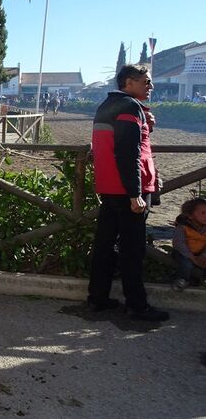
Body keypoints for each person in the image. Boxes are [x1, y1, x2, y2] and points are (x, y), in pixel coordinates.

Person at [88, 64, 169, 321]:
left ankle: (97, 298)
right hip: (129, 189)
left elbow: (116, 144)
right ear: (129, 82)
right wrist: (135, 193)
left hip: (109, 187)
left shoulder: (107, 106)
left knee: (105, 245)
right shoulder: (130, 108)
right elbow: (128, 153)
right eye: (146, 81)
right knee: (132, 250)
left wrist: (146, 124)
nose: (150, 86)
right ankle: (137, 305)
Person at [171, 197, 206, 291]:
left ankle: (199, 280)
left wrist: (203, 255)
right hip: (183, 253)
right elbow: (179, 244)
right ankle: (181, 280)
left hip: (200, 252)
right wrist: (192, 257)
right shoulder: (183, 227)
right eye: (203, 213)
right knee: (187, 264)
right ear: (190, 216)